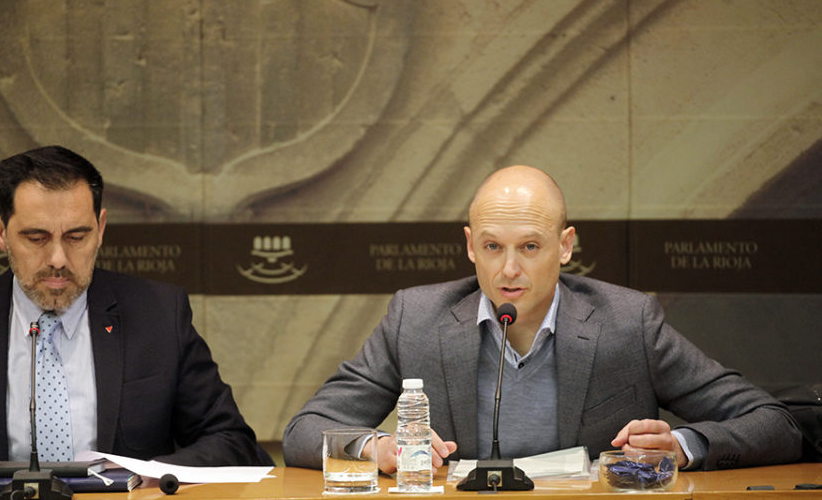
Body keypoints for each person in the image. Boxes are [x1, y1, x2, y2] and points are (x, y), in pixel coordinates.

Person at [283, 165, 801, 472]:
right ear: (470, 247)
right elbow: (305, 431)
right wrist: (377, 446)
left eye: (530, 246)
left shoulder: (627, 321)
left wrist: (682, 448)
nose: (509, 269)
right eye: (492, 247)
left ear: (565, 246)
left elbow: (775, 425)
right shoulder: (416, 318)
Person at [0, 145, 272, 468]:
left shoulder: (159, 315)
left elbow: (231, 442)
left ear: (101, 229)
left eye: (76, 236)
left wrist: (145, 477)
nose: (58, 258)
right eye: (37, 238)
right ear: (1, 232)